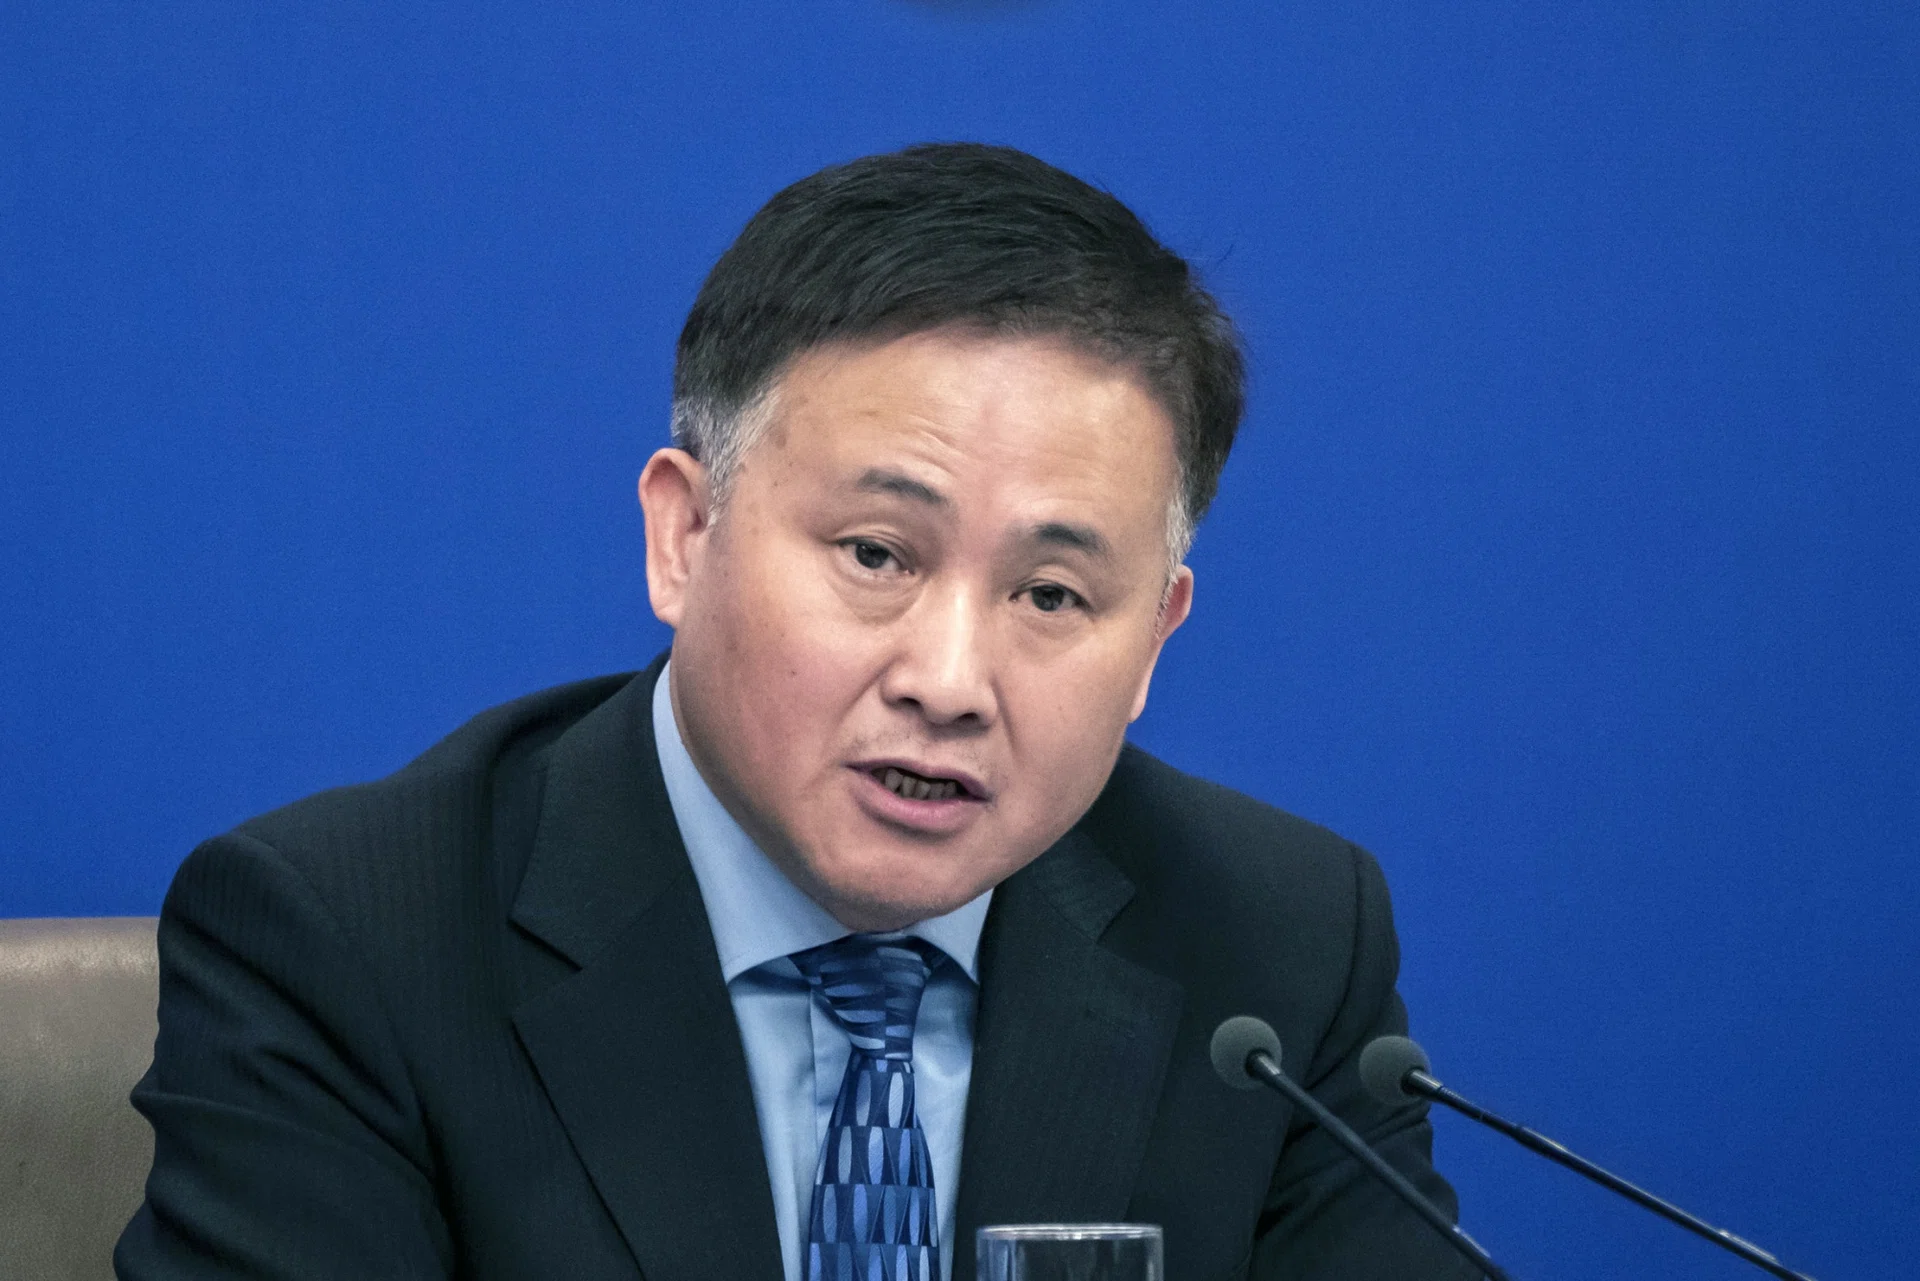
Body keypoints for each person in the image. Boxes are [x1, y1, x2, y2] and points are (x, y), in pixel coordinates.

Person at [116, 143, 1476, 1281]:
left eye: (1051, 595)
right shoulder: (350, 943)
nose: (949, 681)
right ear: (683, 535)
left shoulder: (1277, 953)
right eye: (877, 555)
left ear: (1153, 643)